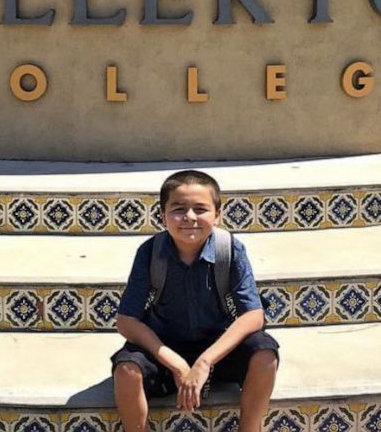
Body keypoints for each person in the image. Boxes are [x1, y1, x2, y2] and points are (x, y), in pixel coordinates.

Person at [111, 170, 279, 432]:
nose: (189, 217)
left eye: (200, 209)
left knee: (265, 352)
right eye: (178, 209)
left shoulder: (230, 250)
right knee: (126, 370)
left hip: (218, 350)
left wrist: (204, 362)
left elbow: (253, 315)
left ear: (217, 214)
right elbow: (126, 320)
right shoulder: (150, 253)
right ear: (162, 215)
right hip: (164, 350)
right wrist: (175, 362)